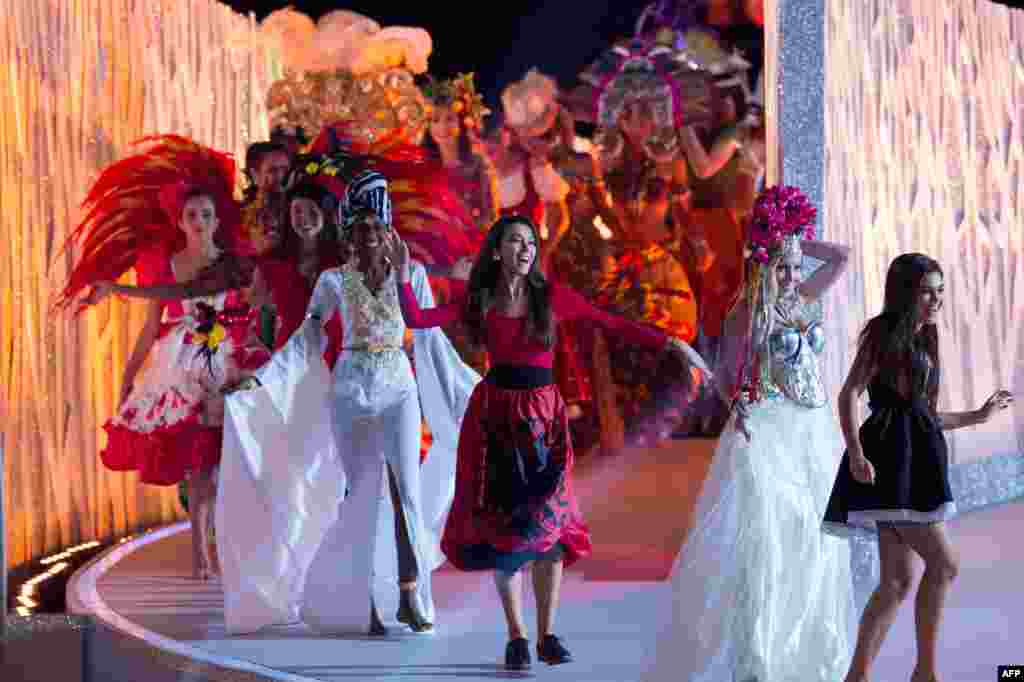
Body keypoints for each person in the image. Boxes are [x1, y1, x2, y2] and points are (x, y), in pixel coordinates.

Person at [389, 215, 710, 670]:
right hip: (496, 416)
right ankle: (517, 636)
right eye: (515, 242)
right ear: (497, 251)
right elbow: (418, 318)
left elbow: (609, 322)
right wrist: (404, 276)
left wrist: (673, 345)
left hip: (542, 418)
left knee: (551, 532)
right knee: (505, 535)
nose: (525, 249)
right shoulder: (479, 297)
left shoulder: (551, 296)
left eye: (530, 243)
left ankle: (547, 633)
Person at [217, 170, 480, 636]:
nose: (368, 237)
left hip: (399, 386)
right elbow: (306, 339)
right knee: (360, 497)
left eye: (375, 228)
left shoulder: (412, 274)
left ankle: (410, 595)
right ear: (347, 233)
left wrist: (469, 385)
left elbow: (430, 335)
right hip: (350, 391)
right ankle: (365, 606)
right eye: (358, 229)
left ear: (388, 230)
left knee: (407, 496)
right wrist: (261, 381)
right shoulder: (333, 281)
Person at [646, 185, 855, 682]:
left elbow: (842, 257)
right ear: (760, 264)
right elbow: (722, 378)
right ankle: (757, 657)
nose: (789, 275)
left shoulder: (802, 296)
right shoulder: (747, 312)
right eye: (779, 266)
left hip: (813, 430)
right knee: (767, 542)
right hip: (767, 428)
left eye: (793, 266)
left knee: (816, 541)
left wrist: (791, 239)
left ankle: (805, 646)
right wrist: (737, 408)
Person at [58, 135, 270, 581]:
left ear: (216, 220)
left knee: (218, 463)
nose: (199, 221)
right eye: (191, 215)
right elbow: (154, 321)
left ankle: (215, 541)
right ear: (180, 220)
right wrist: (129, 379)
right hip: (180, 363)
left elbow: (250, 313)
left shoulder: (234, 262)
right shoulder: (167, 264)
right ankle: (200, 548)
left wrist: (255, 349)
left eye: (206, 214)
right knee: (196, 464)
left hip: (222, 360)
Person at [823, 253, 1013, 682]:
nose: (936, 299)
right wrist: (855, 451)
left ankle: (859, 677)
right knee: (944, 564)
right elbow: (849, 393)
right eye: (928, 290)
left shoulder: (927, 336)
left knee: (896, 582)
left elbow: (925, 415)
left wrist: (977, 417)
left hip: (916, 459)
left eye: (940, 290)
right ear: (906, 292)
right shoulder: (884, 333)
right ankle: (924, 673)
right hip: (890, 460)